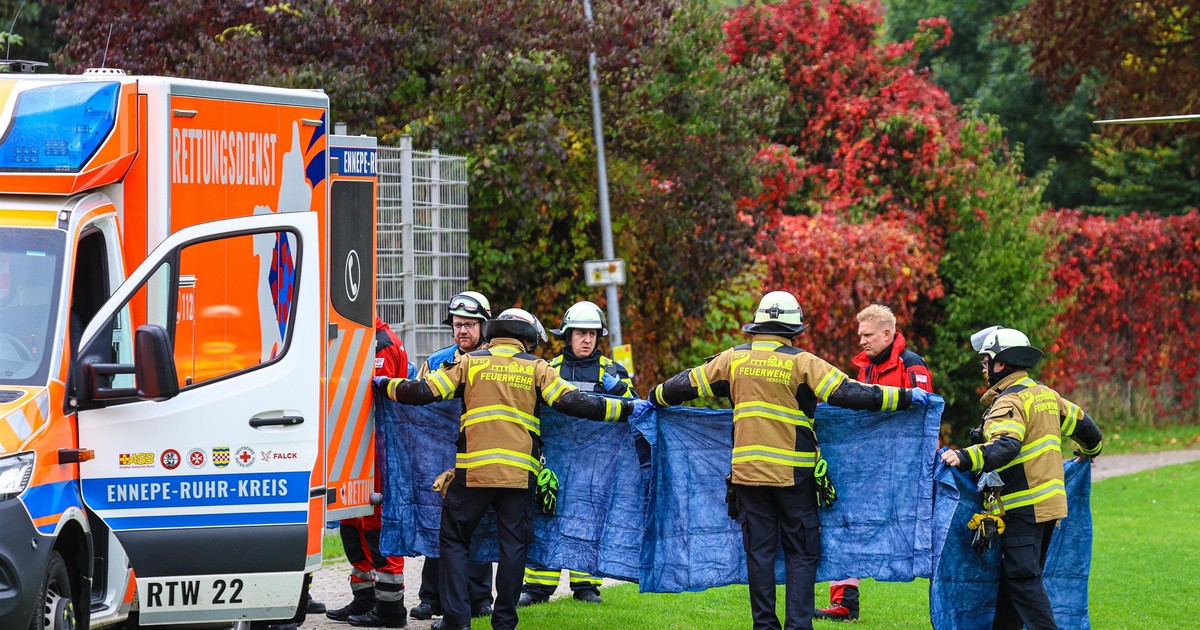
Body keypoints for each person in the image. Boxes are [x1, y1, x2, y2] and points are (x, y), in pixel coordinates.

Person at [646, 291, 927, 630]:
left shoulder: (733, 359)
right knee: (802, 553)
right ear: (793, 330)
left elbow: (687, 383)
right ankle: (798, 626)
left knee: (760, 555)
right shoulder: (802, 362)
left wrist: (655, 396)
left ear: (758, 326)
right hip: (794, 476)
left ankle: (764, 626)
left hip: (747, 476)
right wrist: (907, 396)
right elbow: (852, 394)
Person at [376, 308, 652, 630]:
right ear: (527, 341)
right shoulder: (537, 368)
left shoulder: (470, 362)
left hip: (473, 474)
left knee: (453, 541)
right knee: (513, 547)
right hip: (519, 477)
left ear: (493, 336)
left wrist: (385, 385)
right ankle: (504, 620)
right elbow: (576, 403)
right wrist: (630, 408)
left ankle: (456, 621)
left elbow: (421, 392)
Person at [940, 327, 1103, 630]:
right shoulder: (1046, 396)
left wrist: (964, 456)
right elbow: (1088, 428)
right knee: (1015, 579)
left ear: (1001, 363)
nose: (983, 367)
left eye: (986, 360)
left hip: (1023, 508)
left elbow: (1007, 446)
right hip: (1049, 509)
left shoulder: (1008, 402)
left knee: (1023, 580)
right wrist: (1090, 450)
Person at [816, 304, 934, 622]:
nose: (862, 341)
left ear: (887, 333)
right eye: (860, 335)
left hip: (902, 468)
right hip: (870, 463)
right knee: (846, 522)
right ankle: (844, 603)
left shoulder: (912, 366)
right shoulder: (864, 368)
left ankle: (953, 598)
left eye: (867, 335)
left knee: (925, 531)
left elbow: (926, 417)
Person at [518, 301, 635, 606]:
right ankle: (538, 587)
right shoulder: (549, 369)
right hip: (552, 460)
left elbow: (635, 409)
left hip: (596, 464)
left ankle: (586, 586)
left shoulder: (613, 370)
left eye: (593, 334)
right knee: (547, 517)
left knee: (589, 519)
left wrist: (621, 389)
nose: (587, 339)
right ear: (567, 335)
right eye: (580, 333)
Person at [408, 292, 497, 621]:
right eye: (458, 325)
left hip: (479, 453)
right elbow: (417, 405)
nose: (463, 331)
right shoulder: (437, 361)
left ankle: (480, 599)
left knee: (479, 526)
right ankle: (431, 598)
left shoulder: (494, 362)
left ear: (484, 327)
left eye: (470, 325)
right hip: (438, 454)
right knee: (437, 525)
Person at [325, 317, 411, 627]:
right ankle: (364, 599)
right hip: (354, 448)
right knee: (352, 526)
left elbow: (374, 397)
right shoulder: (358, 336)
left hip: (376, 449)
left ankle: (391, 609)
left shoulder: (381, 343)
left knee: (376, 527)